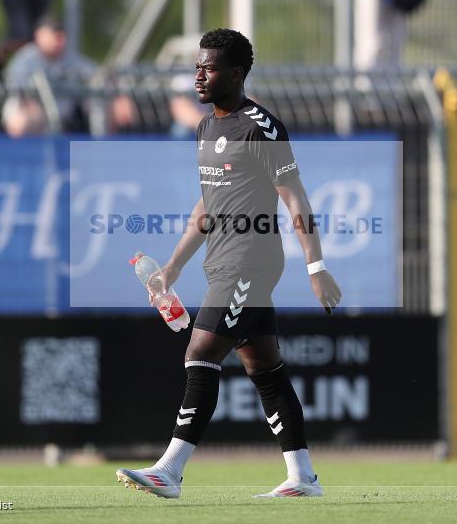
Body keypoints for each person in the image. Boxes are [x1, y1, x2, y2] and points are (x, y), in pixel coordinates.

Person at [115, 29, 342, 499]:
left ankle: (169, 471)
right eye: (197, 66)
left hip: (250, 261)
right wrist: (174, 266)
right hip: (220, 261)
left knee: (200, 352)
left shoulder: (261, 127)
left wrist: (316, 267)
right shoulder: (205, 128)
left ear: (236, 73)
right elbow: (208, 206)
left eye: (210, 68)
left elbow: (295, 198)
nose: (199, 75)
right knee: (265, 369)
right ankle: (302, 476)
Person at [2, 15, 94, 137]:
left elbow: (96, 75)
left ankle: (105, 147)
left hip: (68, 120)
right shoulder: (26, 59)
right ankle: (19, 150)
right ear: (40, 35)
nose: (60, 41)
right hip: (34, 112)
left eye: (62, 36)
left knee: (107, 106)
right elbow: (20, 94)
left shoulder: (71, 59)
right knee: (21, 119)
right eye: (55, 36)